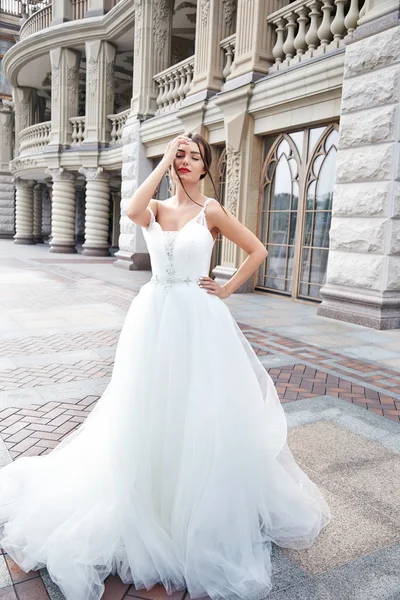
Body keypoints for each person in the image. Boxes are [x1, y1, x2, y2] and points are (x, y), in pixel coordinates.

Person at [0, 132, 331, 600]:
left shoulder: (211, 210)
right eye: (181, 155)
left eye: (196, 157)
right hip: (153, 318)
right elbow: (134, 209)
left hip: (200, 319)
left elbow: (257, 250)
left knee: (199, 412)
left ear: (206, 166)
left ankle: (195, 505)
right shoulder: (153, 209)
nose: (187, 162)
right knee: (148, 409)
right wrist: (162, 162)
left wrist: (227, 287)